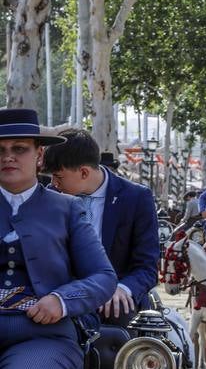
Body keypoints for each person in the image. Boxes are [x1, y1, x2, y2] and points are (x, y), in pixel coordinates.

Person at [0, 108, 116, 369]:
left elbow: (103, 277)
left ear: (39, 155)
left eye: (18, 148)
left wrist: (61, 300)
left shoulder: (66, 209)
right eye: (0, 150)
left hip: (43, 336)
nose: (8, 157)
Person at [44, 128, 159, 326]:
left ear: (83, 172)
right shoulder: (50, 196)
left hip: (115, 299)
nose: (53, 183)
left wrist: (123, 288)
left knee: (121, 315)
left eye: (58, 177)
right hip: (62, 295)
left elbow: (147, 267)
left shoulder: (137, 198)